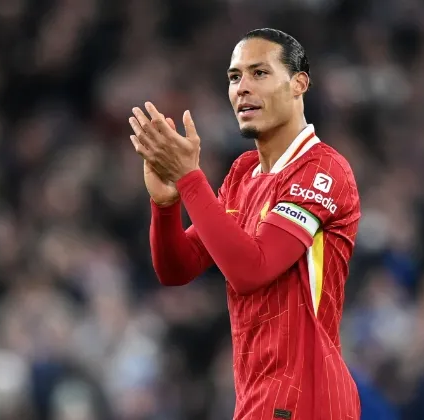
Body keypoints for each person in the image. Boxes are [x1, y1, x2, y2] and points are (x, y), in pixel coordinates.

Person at [128, 28, 361, 420]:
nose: (243, 88)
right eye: (235, 77)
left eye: (260, 73)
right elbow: (176, 268)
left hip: (305, 397)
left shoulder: (322, 170)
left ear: (299, 84)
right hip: (259, 395)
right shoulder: (243, 173)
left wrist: (190, 179)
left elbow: (252, 270)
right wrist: (166, 205)